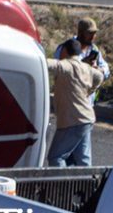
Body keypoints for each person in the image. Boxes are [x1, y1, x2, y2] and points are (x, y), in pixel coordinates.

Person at [45, 39, 105, 167]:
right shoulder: (86, 68)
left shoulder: (65, 66)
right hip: (87, 119)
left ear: (65, 51)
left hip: (72, 120)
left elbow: (45, 64)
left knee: (56, 157)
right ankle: (87, 186)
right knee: (83, 160)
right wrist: (91, 90)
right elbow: (100, 76)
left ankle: (61, 186)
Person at [54, 18, 110, 83]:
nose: (92, 37)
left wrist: (100, 70)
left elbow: (106, 69)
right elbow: (60, 72)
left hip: (89, 91)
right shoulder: (66, 48)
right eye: (89, 33)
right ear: (80, 33)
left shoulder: (94, 49)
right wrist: (83, 65)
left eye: (94, 33)